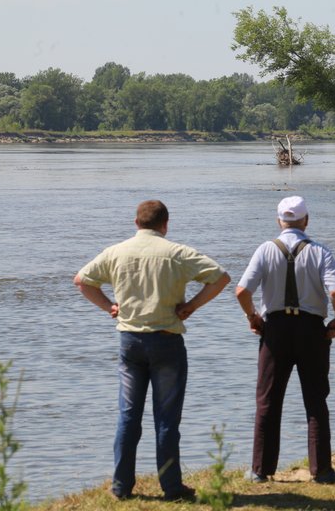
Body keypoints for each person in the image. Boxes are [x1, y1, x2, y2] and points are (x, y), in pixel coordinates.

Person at [74, 200, 230, 501]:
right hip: (167, 340)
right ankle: (171, 487)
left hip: (130, 342)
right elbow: (221, 278)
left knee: (128, 416)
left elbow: (82, 281)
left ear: (136, 223)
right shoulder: (177, 253)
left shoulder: (116, 251)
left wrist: (110, 307)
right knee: (167, 419)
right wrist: (191, 306)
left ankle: (121, 486)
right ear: (165, 224)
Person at [235, 196, 335, 484]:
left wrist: (253, 317)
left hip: (274, 330)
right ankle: (321, 469)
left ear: (278, 222)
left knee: (268, 400)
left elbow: (241, 291)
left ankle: (261, 470)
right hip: (311, 330)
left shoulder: (264, 250)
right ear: (306, 221)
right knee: (315, 399)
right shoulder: (320, 251)